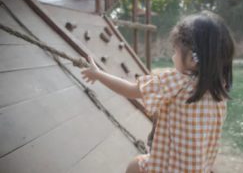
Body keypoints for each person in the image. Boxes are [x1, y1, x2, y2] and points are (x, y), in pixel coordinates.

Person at [81, 10, 235, 173]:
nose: (173, 57)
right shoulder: (220, 89)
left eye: (175, 51)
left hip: (168, 167)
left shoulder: (177, 81)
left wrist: (98, 74)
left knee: (134, 167)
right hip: (199, 168)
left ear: (192, 59)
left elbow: (130, 90)